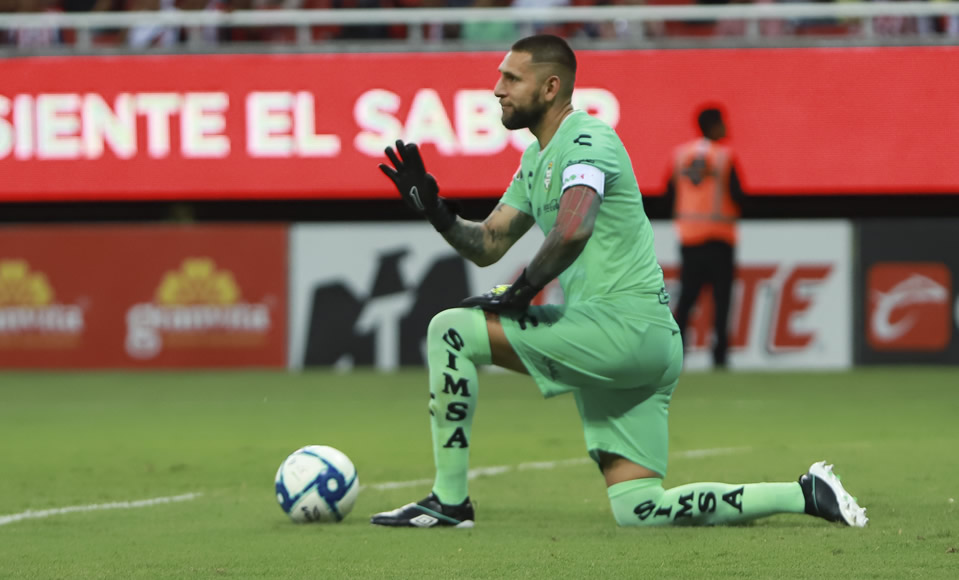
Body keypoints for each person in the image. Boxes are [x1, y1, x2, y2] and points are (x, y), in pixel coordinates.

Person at [372, 34, 867, 529]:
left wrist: (521, 291)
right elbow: (488, 244)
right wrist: (437, 213)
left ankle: (449, 500)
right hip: (642, 342)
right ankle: (805, 494)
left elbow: (575, 225)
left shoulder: (589, 139)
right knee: (640, 508)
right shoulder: (534, 161)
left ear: (549, 88)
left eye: (510, 78)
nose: (496, 88)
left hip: (620, 329)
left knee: (450, 330)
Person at [666, 106, 744, 370]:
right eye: (722, 122)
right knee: (722, 302)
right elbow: (737, 195)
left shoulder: (680, 155)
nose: (726, 127)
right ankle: (719, 359)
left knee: (687, 300)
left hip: (689, 238)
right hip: (720, 238)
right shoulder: (724, 157)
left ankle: (677, 356)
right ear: (713, 126)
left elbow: (668, 194)